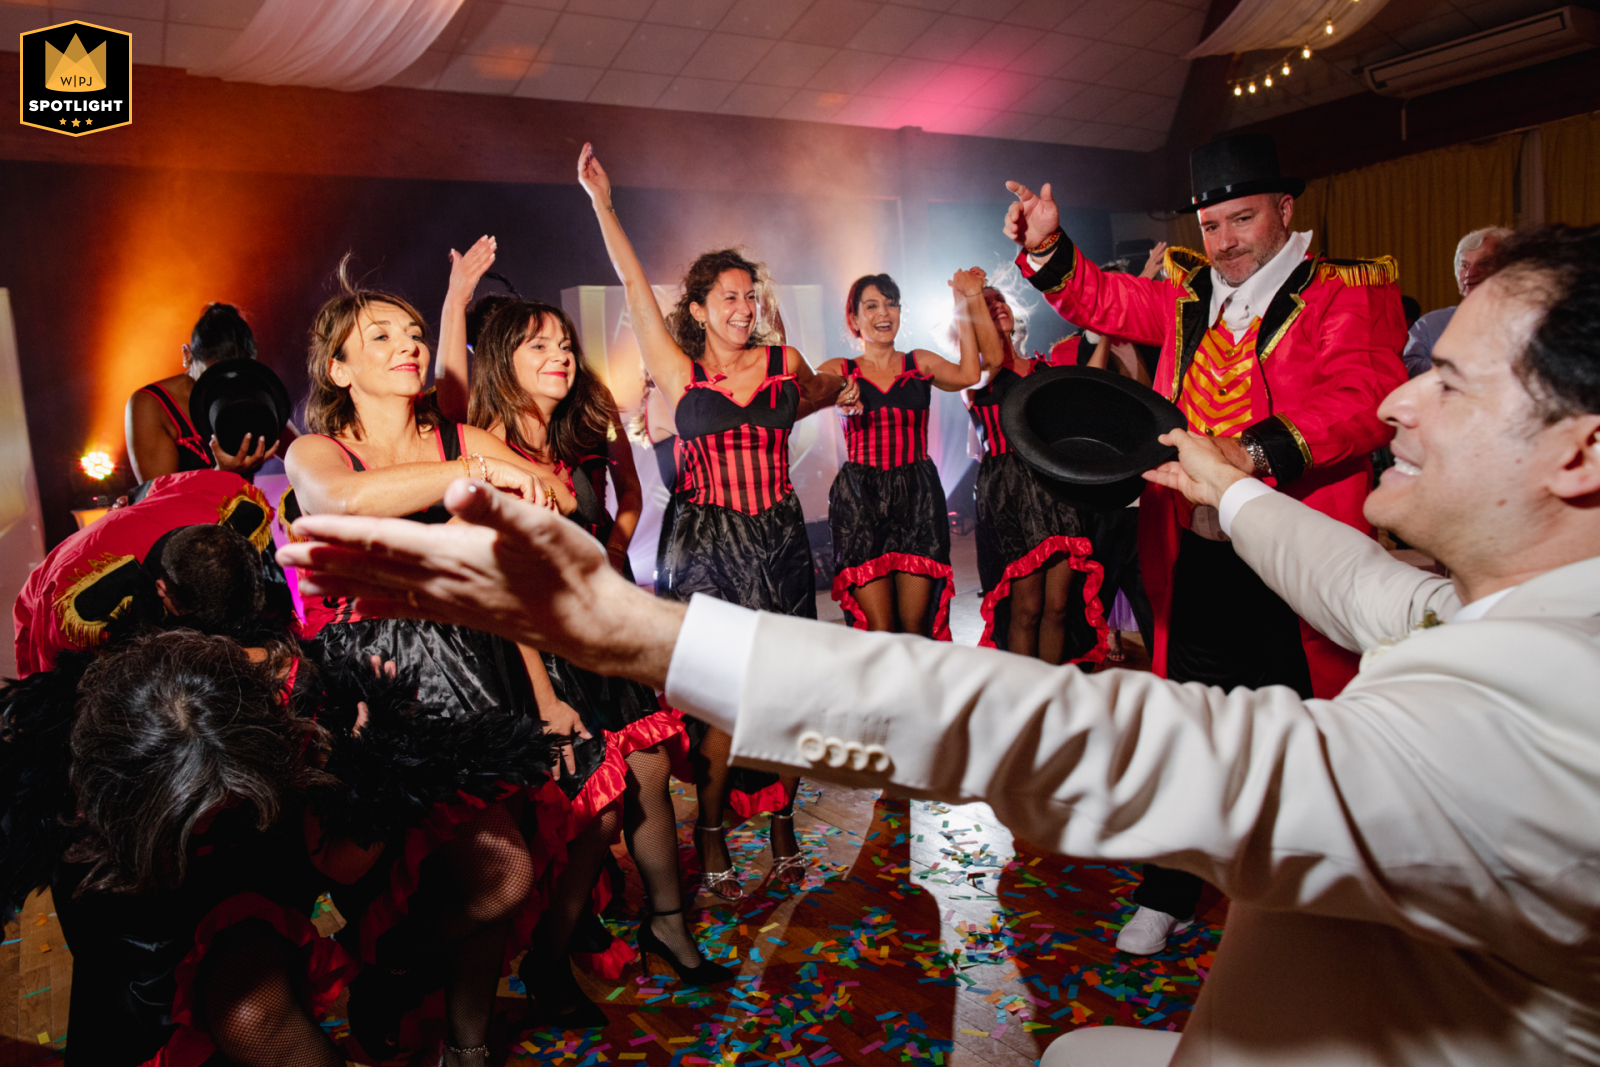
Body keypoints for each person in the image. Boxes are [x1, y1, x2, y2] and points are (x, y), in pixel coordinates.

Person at [279, 223, 1600, 1067]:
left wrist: (639, 627)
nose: (1393, 391)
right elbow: (1381, 592)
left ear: (1579, 451)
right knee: (1078, 1048)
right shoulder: (1526, 614)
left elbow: (1109, 734)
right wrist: (1239, 491)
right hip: (1290, 1019)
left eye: (1449, 378)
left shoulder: (1546, 737)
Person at [1006, 133, 1408, 954]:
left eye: (1242, 219)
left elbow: (1366, 395)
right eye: (1213, 223)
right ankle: (1172, 888)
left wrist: (1252, 455)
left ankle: (1314, 897)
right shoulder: (1191, 291)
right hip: (1195, 548)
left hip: (1297, 551)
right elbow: (1104, 302)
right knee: (1189, 719)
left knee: (1305, 730)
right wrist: (1047, 244)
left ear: (1285, 210)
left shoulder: (1345, 291)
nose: (1225, 240)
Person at [282, 270, 574, 1064]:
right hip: (370, 686)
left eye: (413, 332)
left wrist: (545, 692)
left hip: (470, 667)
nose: (408, 344)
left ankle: (463, 1042)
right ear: (338, 368)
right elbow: (344, 500)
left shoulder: (456, 439)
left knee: (501, 871)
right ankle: (388, 973)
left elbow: (555, 497)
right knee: (382, 872)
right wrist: (477, 476)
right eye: (381, 335)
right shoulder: (318, 448)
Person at [578, 143, 852, 901]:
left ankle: (783, 822)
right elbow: (633, 284)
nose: (742, 308)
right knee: (719, 700)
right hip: (705, 547)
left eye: (747, 296)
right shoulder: (678, 370)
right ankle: (710, 827)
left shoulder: (783, 358)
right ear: (698, 309)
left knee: (786, 693)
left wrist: (841, 391)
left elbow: (822, 388)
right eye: (726, 298)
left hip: (778, 538)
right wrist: (604, 204)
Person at [462, 294, 733, 1011]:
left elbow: (620, 504)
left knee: (648, 767)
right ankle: (547, 959)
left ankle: (669, 930)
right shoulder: (486, 445)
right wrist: (544, 697)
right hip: (533, 654)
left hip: (597, 637)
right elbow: (502, 587)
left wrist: (615, 564)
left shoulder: (576, 424)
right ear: (501, 362)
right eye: (538, 346)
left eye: (563, 343)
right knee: (598, 814)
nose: (559, 356)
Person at [815, 270, 985, 638]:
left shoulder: (918, 363)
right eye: (872, 305)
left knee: (914, 628)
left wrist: (962, 303)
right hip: (861, 502)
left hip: (917, 499)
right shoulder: (838, 369)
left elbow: (971, 372)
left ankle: (918, 695)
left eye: (891, 304)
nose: (884, 313)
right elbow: (806, 390)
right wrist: (840, 388)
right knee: (880, 628)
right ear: (854, 319)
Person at [12, 469, 288, 676]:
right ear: (162, 591)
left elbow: (164, 483)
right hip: (54, 589)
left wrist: (133, 497)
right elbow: (54, 681)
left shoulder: (232, 501)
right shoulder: (79, 606)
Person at [965, 284, 1107, 663]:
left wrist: (1104, 332)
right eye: (987, 305)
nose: (998, 308)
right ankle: (1025, 704)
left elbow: (1087, 393)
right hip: (1007, 490)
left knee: (1058, 607)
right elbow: (986, 367)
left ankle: (1052, 697)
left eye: (1001, 302)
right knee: (1026, 608)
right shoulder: (976, 372)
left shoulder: (1043, 369)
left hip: (1054, 486)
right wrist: (970, 300)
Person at [124, 303, 284, 482]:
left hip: (246, 506)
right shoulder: (151, 405)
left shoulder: (251, 388)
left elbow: (307, 451)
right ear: (187, 355)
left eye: (236, 374)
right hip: (183, 509)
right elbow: (158, 500)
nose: (225, 384)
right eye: (212, 376)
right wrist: (221, 473)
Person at [1403, 225, 1512, 377]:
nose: (1470, 273)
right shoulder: (1430, 326)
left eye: (1484, 263)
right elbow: (1407, 369)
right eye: (1464, 265)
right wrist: (1459, 367)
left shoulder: (1533, 322)